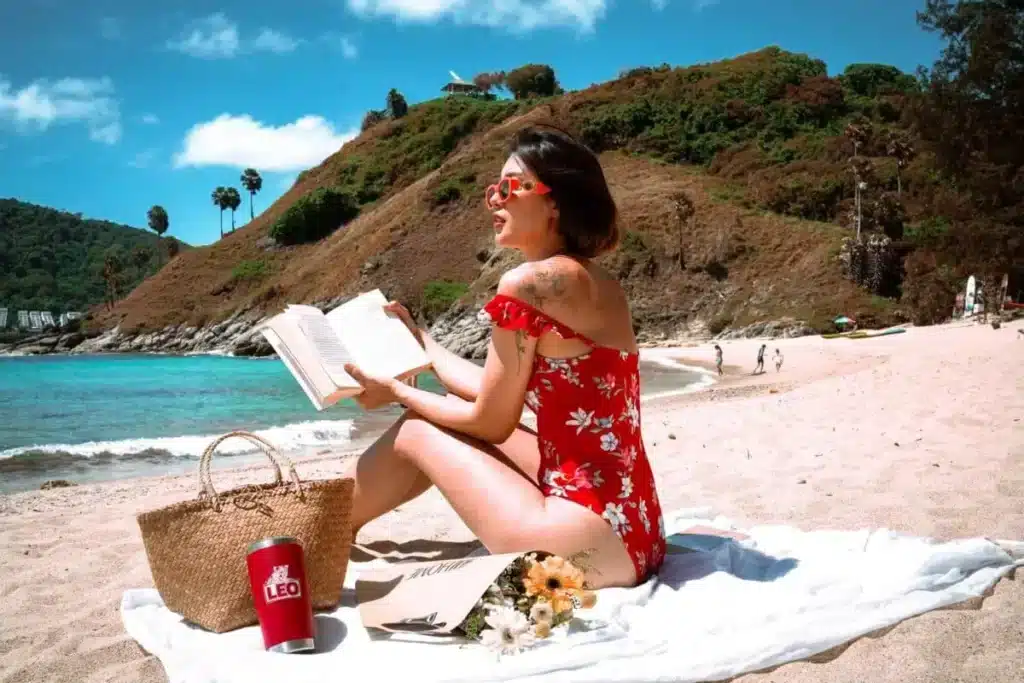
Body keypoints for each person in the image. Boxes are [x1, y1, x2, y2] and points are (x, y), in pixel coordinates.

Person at [340, 125, 666, 589]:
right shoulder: (597, 281)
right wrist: (424, 345)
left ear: (555, 201)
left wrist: (395, 391)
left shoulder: (528, 284)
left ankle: (326, 527)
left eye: (509, 186)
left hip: (585, 542)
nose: (494, 199)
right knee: (439, 420)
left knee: (416, 426)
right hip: (636, 527)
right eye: (494, 188)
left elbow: (491, 421)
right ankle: (336, 524)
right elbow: (495, 390)